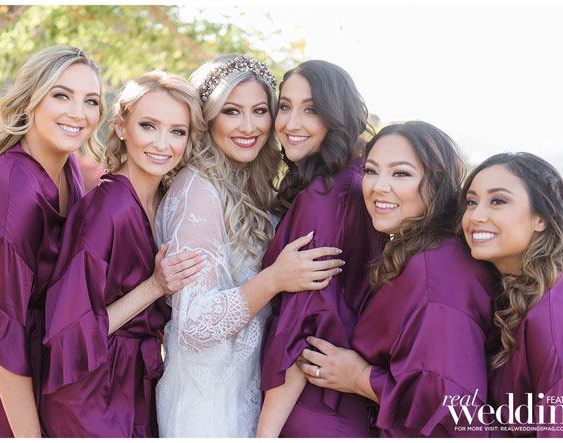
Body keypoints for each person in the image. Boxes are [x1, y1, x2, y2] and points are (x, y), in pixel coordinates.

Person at [154, 54, 343, 437]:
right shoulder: (198, 189)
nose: (249, 126)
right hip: (206, 408)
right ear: (207, 118)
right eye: (231, 111)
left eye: (260, 111)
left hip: (246, 395)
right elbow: (194, 325)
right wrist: (274, 280)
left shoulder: (254, 183)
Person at [295, 121, 498, 437]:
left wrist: (360, 378)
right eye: (371, 171)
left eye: (400, 174)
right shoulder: (418, 250)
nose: (378, 186)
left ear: (437, 183)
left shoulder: (435, 273)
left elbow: (453, 413)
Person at [38, 71, 207, 437]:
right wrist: (155, 287)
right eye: (149, 126)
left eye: (177, 131)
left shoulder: (170, 202)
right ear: (120, 126)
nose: (162, 144)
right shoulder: (108, 208)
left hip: (137, 384)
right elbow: (70, 334)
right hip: (90, 395)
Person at [0, 46, 104, 438]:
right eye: (62, 95)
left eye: (91, 100)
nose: (79, 113)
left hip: (41, 369)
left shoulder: (67, 167)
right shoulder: (10, 195)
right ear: (29, 101)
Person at [256, 60, 380, 437]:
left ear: (336, 118)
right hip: (343, 408)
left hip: (310, 408)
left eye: (310, 110)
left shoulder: (323, 196)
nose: (290, 123)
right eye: (285, 106)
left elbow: (302, 332)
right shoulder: (357, 181)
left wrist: (264, 434)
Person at [460, 152, 563, 437]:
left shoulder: (555, 316)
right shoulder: (524, 295)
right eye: (471, 202)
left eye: (498, 201)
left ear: (542, 217)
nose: (476, 216)